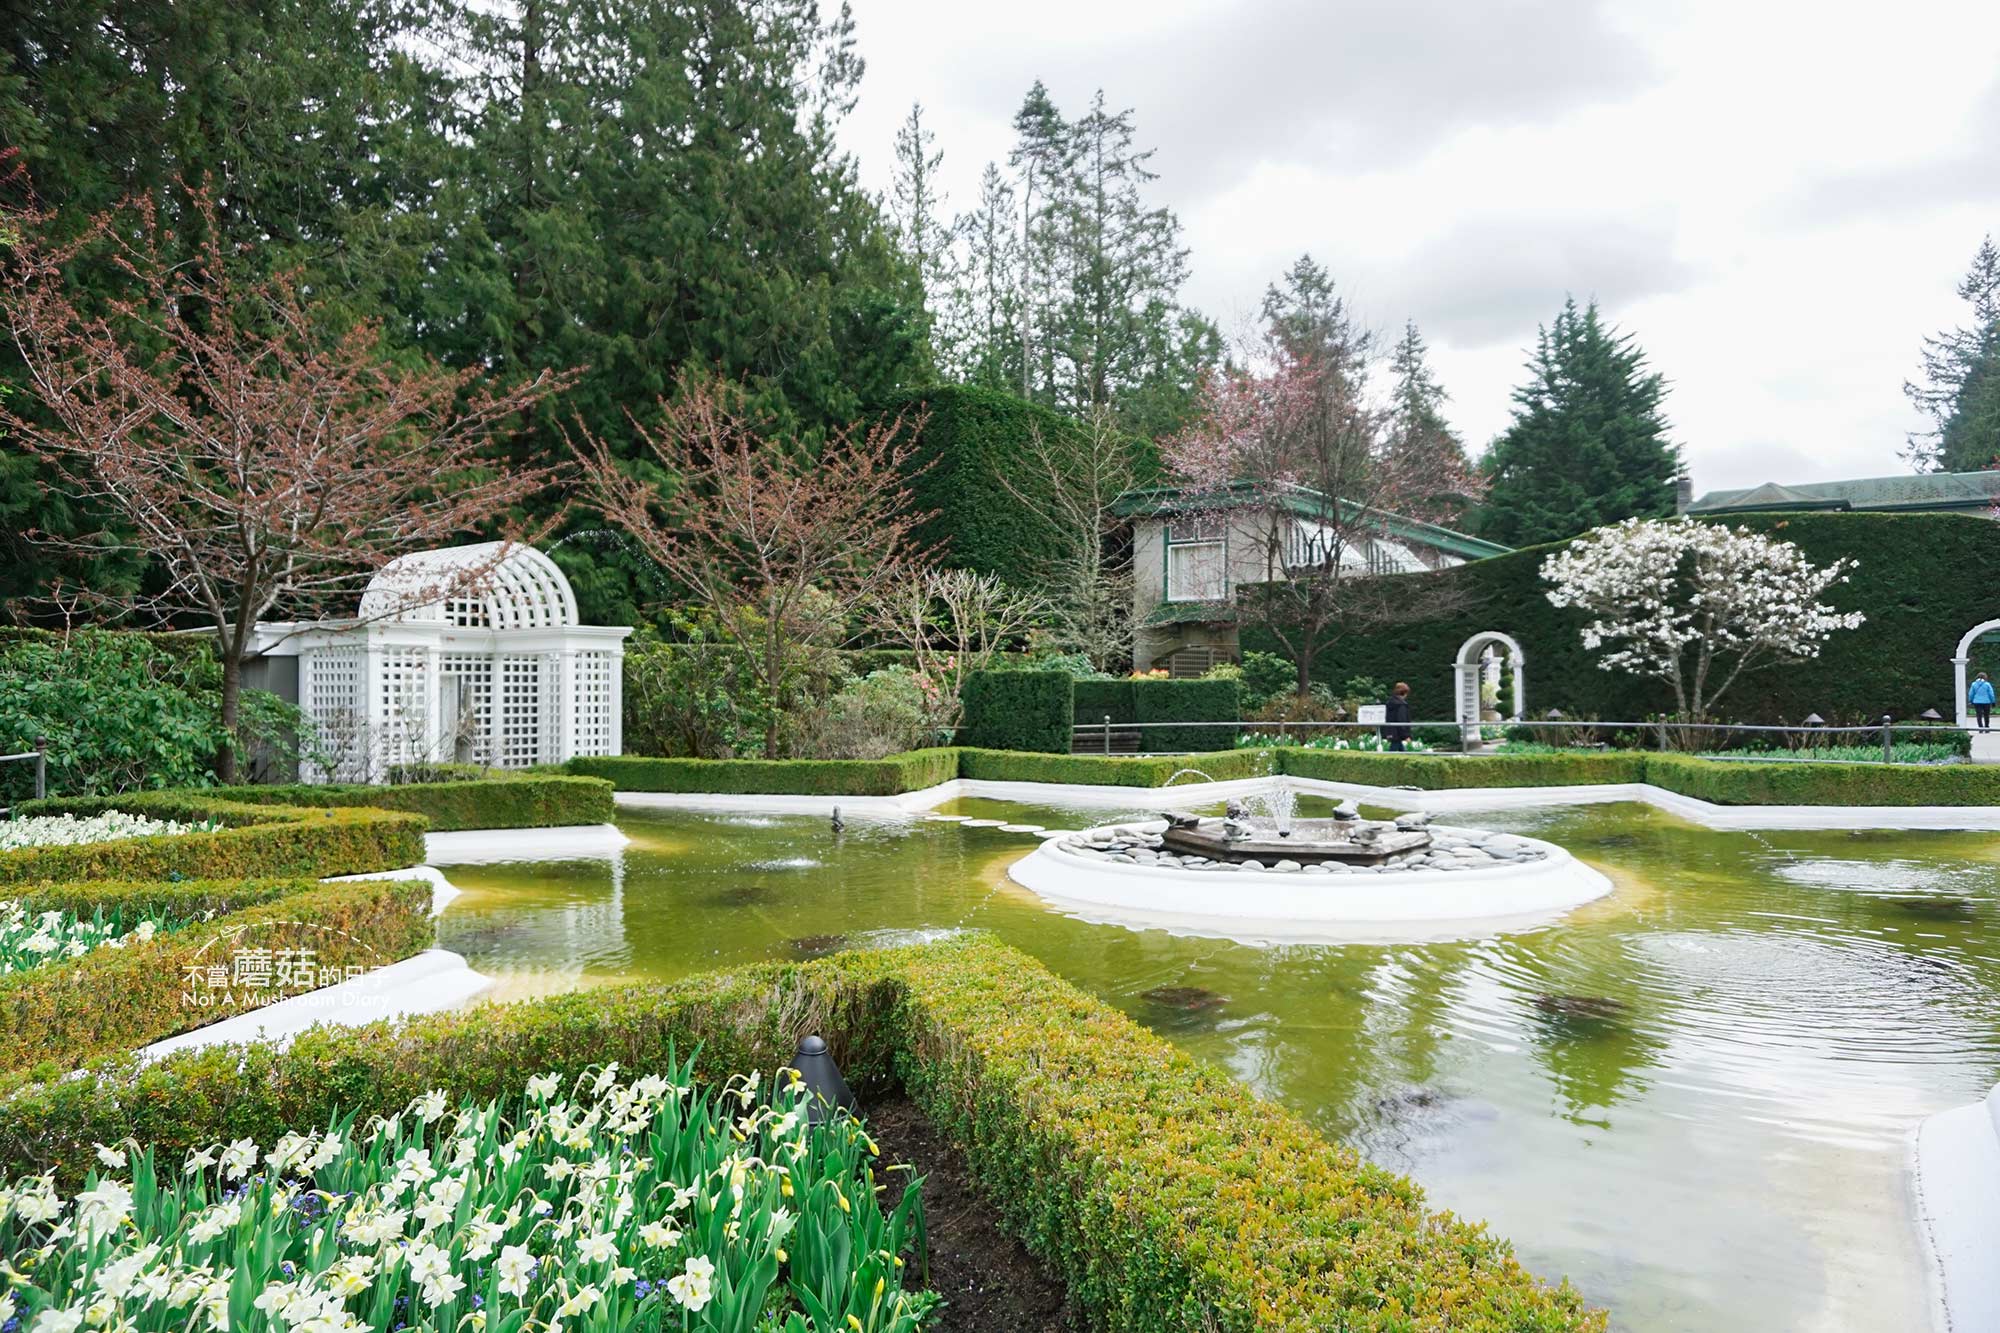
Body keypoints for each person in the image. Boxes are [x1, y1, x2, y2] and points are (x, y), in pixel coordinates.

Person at [1383, 681, 1413, 752]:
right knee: (1393, 751)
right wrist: (1406, 735)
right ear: (1404, 693)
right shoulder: (1401, 705)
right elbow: (1401, 720)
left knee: (1399, 750)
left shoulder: (1389, 703)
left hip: (1391, 731)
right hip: (1398, 734)